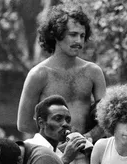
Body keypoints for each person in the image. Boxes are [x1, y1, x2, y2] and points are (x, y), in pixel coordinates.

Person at [17, 4, 106, 142]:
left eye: (82, 35)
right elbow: (23, 123)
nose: (79, 41)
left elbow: (106, 118)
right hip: (51, 153)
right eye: (73, 34)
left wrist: (87, 138)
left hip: (87, 151)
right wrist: (54, 141)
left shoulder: (93, 72)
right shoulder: (39, 74)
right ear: (57, 34)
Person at [25, 95, 92, 164]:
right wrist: (65, 160)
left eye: (67, 119)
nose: (65, 124)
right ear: (41, 123)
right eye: (58, 118)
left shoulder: (61, 152)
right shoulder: (29, 148)